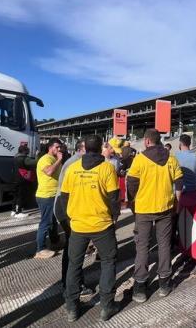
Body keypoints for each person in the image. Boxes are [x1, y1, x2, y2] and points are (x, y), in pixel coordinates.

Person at [60, 135, 120, 322]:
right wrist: (114, 217)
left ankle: (72, 308)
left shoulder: (72, 168)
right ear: (101, 147)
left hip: (78, 224)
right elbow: (113, 198)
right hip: (102, 224)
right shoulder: (107, 168)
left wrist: (70, 217)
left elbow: (64, 196)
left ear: (84, 148)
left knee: (74, 265)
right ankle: (107, 305)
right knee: (108, 262)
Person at [126, 129, 183, 303]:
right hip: (165, 208)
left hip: (143, 209)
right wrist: (176, 203)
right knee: (164, 245)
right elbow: (179, 184)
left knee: (142, 246)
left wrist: (133, 203)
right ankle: (165, 284)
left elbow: (131, 184)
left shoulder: (140, 159)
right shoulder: (171, 158)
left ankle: (140, 287)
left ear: (147, 141)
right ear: (158, 141)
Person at [54, 140, 92, 296]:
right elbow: (69, 192)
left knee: (73, 248)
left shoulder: (77, 161)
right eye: (88, 148)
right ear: (81, 149)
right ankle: (73, 285)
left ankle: (69, 282)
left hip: (68, 209)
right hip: (66, 210)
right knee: (73, 249)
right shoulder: (74, 163)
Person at [34, 138, 63, 259]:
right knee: (45, 222)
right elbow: (49, 172)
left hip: (53, 194)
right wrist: (60, 159)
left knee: (53, 221)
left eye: (60, 147)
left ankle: (55, 242)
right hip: (46, 195)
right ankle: (40, 249)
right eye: (57, 147)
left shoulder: (55, 159)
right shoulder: (45, 159)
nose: (59, 149)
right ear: (50, 147)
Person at [12, 144, 36, 218]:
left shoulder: (15, 157)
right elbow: (35, 162)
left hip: (15, 179)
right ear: (24, 151)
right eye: (27, 150)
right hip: (22, 179)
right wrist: (38, 155)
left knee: (16, 196)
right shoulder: (24, 158)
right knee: (21, 195)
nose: (28, 151)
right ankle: (18, 212)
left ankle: (13, 211)